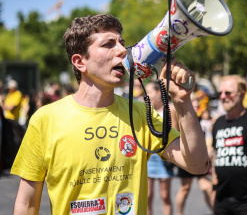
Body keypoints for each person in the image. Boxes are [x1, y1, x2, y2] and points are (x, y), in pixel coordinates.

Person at [11, 14, 209, 215]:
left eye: (122, 43)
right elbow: (26, 204)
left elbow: (197, 164)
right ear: (80, 62)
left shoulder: (141, 113)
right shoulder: (45, 119)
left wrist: (182, 100)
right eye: (108, 44)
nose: (123, 50)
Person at [212, 75, 247, 215]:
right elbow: (216, 156)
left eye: (228, 93)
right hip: (222, 201)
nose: (223, 97)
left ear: (242, 94)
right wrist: (214, 188)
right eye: (220, 93)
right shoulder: (218, 123)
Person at [175, 94, 213, 215]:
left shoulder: (203, 119)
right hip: (187, 157)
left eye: (197, 103)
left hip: (202, 158)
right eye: (193, 103)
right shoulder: (182, 117)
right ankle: (179, 213)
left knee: (207, 187)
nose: (196, 105)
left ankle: (216, 211)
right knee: (185, 188)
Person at [146, 81, 178, 215]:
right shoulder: (145, 109)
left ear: (159, 93)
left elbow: (175, 132)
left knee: (165, 196)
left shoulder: (169, 109)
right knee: (147, 196)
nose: (146, 96)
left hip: (164, 158)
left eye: (149, 92)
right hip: (149, 157)